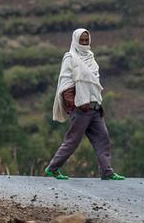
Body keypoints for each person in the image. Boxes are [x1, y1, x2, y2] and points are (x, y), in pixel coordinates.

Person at [44, 28, 125, 181]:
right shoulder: (70, 58)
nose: (84, 43)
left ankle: (107, 172)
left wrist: (96, 104)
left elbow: (94, 84)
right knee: (72, 141)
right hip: (81, 110)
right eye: (81, 40)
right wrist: (76, 105)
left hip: (95, 109)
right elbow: (66, 85)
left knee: (103, 138)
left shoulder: (91, 58)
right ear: (75, 41)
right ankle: (52, 169)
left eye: (86, 40)